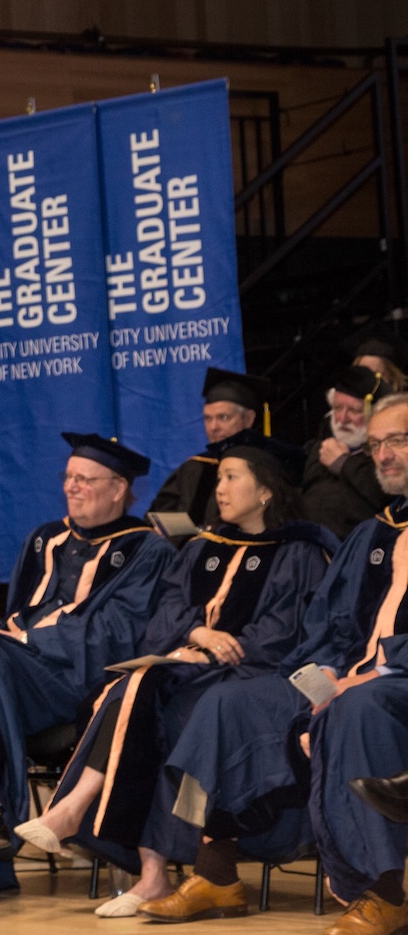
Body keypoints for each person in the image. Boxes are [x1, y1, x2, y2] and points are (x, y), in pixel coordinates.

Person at [14, 431, 335, 917]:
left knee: (149, 702)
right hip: (191, 670)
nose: (219, 489)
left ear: (266, 490)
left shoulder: (300, 552)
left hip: (251, 679)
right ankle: (135, 861)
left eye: (231, 477)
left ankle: (91, 822)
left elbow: (285, 630)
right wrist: (198, 635)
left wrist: (215, 654)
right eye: (219, 478)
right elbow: (166, 611)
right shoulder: (203, 547)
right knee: (135, 689)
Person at [143, 392, 408, 934]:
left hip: (393, 684)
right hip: (346, 679)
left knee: (358, 706)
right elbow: (327, 624)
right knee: (227, 702)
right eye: (376, 444)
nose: (384, 455)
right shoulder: (371, 534)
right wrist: (324, 671)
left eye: (398, 441)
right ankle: (216, 872)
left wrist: (372, 672)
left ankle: (384, 892)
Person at [0, 433, 176, 912]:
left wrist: (28, 641)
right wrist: (12, 642)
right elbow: (17, 610)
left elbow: (119, 635)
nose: (71, 487)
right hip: (17, 677)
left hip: (81, 684)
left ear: (118, 488)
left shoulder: (147, 550)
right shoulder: (44, 538)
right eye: (68, 477)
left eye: (85, 479)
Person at [149, 368, 273, 529]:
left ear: (248, 419)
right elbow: (160, 515)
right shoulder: (196, 466)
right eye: (208, 419)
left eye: (223, 417)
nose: (213, 427)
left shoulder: (269, 465)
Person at [304, 365, 389, 540]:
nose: (342, 419)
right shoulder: (320, 447)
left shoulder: (387, 452)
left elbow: (383, 494)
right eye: (337, 408)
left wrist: (343, 463)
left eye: (354, 410)